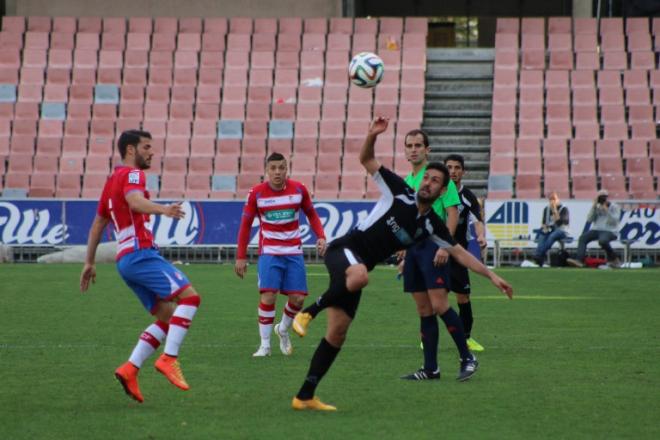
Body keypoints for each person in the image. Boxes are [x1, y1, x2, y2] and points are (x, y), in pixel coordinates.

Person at [289, 117, 513, 411]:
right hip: (344, 250)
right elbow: (366, 159)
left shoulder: (431, 225)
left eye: (435, 181)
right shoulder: (399, 191)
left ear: (441, 190)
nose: (428, 182)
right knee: (359, 277)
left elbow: (460, 252)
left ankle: (305, 395)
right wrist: (371, 134)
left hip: (359, 268)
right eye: (426, 178)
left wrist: (492, 276)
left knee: (338, 332)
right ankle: (307, 312)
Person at [79, 130, 202, 403]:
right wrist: (164, 210)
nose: (152, 152)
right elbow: (135, 201)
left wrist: (89, 261)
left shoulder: (111, 182)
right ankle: (169, 359)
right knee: (190, 297)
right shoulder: (133, 174)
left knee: (169, 314)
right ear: (131, 150)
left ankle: (130, 368)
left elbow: (98, 224)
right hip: (141, 253)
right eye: (147, 146)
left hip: (126, 261)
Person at [235, 152, 327, 357]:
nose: (277, 172)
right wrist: (241, 256)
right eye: (273, 168)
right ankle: (265, 345)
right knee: (268, 295)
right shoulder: (256, 193)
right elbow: (245, 226)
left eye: (281, 168)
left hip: (293, 252)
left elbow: (312, 214)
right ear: (267, 170)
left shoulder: (299, 190)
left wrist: (321, 236)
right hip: (269, 253)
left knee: (298, 300)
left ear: (287, 169)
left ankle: (283, 329)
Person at [443, 154, 488, 350]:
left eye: (457, 167)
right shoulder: (438, 192)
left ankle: (467, 338)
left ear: (463, 171)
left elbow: (477, 220)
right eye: (449, 167)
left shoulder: (468, 196)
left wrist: (481, 236)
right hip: (437, 251)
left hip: (459, 254)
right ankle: (427, 336)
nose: (453, 171)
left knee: (463, 297)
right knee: (432, 298)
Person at [567, 190, 621, 268]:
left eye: (604, 197)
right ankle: (579, 260)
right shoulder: (597, 207)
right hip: (597, 229)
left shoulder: (614, 207)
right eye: (601, 197)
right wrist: (593, 207)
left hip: (610, 230)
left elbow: (615, 221)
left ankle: (614, 259)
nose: (603, 199)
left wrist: (607, 210)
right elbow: (589, 219)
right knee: (583, 238)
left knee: (602, 241)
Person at [532, 192, 570, 267]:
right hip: (551, 229)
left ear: (558, 199)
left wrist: (554, 210)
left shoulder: (564, 209)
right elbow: (543, 222)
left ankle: (539, 255)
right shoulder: (546, 209)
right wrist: (544, 227)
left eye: (554, 199)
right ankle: (540, 259)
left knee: (553, 235)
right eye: (550, 199)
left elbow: (560, 223)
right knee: (542, 235)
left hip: (562, 230)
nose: (552, 201)